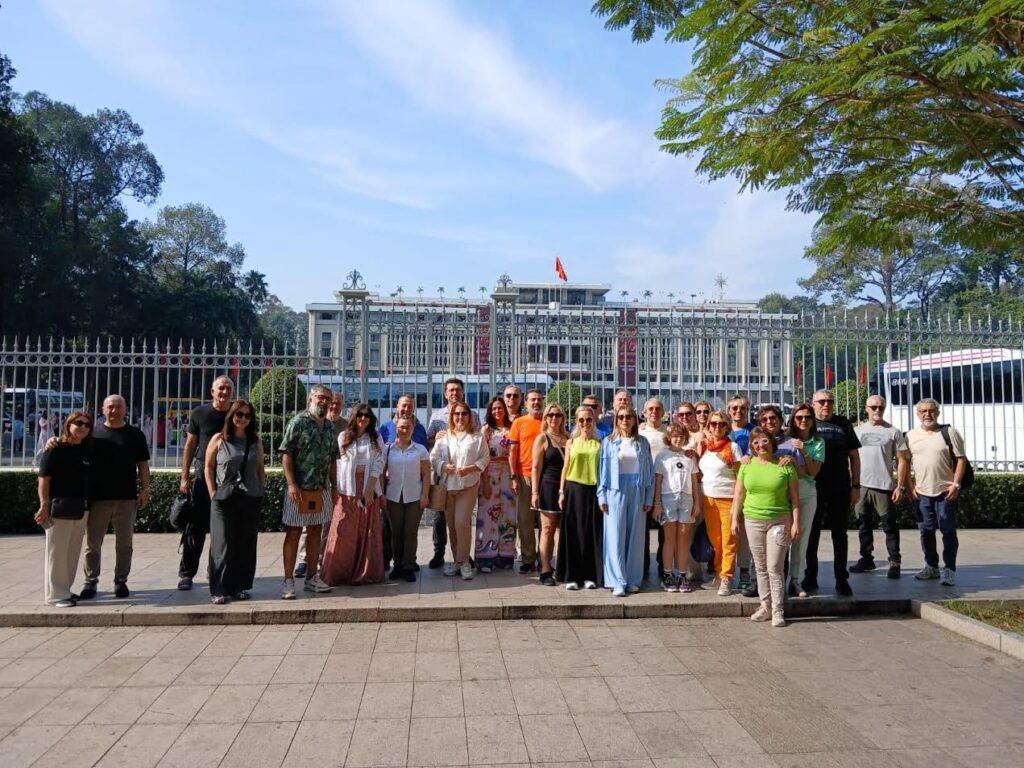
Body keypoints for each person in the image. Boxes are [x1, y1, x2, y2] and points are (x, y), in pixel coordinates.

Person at [78, 395, 150, 600]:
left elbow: (142, 465)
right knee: (93, 544)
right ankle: (90, 582)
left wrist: (145, 490)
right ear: (103, 409)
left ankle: (121, 581)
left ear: (125, 409)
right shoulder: (93, 434)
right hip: (98, 499)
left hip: (126, 498)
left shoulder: (135, 434)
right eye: (110, 406)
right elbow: (73, 448)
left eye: (118, 406)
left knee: (125, 543)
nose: (114, 410)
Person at [731, 427, 800, 627]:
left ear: (772, 442)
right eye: (756, 443)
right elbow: (739, 494)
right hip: (753, 520)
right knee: (760, 567)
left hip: (780, 520)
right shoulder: (746, 465)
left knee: (774, 566)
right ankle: (765, 606)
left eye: (764, 441)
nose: (761, 446)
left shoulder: (785, 465)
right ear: (752, 447)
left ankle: (778, 610)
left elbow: (795, 498)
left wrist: (796, 523)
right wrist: (735, 519)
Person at [203, 399, 265, 604]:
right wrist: (212, 491)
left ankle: (241, 586)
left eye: (247, 415)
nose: (243, 419)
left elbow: (260, 469)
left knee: (245, 543)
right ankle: (219, 588)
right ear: (232, 416)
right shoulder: (219, 439)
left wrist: (261, 489)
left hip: (250, 497)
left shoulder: (255, 440)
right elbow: (209, 466)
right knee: (222, 543)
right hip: (224, 498)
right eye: (239, 414)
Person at [279, 386, 338, 598]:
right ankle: (288, 581)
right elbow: (286, 453)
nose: (324, 402)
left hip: (320, 488)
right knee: (294, 532)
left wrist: (334, 486)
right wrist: (291, 484)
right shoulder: (298, 422)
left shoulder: (330, 427)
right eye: (321, 397)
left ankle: (313, 577)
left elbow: (333, 459)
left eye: (328, 399)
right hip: (300, 489)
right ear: (311, 399)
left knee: (315, 531)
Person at [177, 376, 234, 591]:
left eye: (228, 388)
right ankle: (186, 573)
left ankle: (216, 570)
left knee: (223, 528)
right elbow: (190, 446)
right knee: (196, 528)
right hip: (202, 476)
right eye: (221, 388)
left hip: (228, 477)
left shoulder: (236, 414)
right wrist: (185, 476)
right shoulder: (200, 414)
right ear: (212, 391)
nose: (224, 392)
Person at [321, 403, 387, 586]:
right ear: (354, 417)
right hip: (347, 489)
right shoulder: (344, 436)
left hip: (368, 487)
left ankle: (365, 572)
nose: (363, 419)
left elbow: (380, 462)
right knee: (342, 531)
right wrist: (335, 487)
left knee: (367, 531)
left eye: (366, 416)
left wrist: (369, 489)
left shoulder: (375, 438)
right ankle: (339, 572)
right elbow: (337, 462)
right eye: (360, 415)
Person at [804, 388, 861, 597]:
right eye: (821, 402)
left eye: (829, 401)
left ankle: (841, 579)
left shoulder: (843, 424)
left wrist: (856, 486)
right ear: (813, 404)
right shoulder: (806, 423)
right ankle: (810, 577)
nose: (825, 405)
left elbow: (854, 456)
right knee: (811, 535)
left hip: (839, 487)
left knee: (840, 535)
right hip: (813, 488)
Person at [905, 398, 967, 587]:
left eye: (931, 411)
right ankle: (931, 566)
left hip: (945, 491)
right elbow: (904, 464)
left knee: (948, 531)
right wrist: (910, 487)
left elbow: (961, 459)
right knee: (926, 531)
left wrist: (955, 485)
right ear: (917, 414)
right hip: (922, 492)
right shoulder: (910, 436)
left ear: (938, 413)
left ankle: (949, 570)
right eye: (923, 411)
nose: (927, 414)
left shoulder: (949, 433)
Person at [35, 411, 93, 607]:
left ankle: (65, 590)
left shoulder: (86, 449)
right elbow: (44, 478)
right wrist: (44, 504)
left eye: (87, 424)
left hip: (81, 507)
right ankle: (57, 595)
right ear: (68, 424)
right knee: (57, 552)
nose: (83, 427)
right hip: (60, 508)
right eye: (78, 423)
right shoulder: (55, 448)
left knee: (72, 551)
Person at [598, 405, 655, 596]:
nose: (625, 420)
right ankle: (617, 580)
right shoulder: (608, 442)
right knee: (615, 535)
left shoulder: (643, 442)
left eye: (629, 416)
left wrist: (648, 496)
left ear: (634, 419)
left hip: (637, 489)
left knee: (635, 536)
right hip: (615, 489)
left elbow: (649, 472)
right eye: (621, 417)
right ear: (616, 420)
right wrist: (602, 495)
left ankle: (632, 579)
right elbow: (602, 471)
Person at [851, 395, 910, 579]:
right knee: (863, 525)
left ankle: (894, 561)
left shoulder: (894, 432)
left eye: (881, 407)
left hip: (883, 486)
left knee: (889, 526)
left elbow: (902, 461)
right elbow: (850, 459)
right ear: (866, 408)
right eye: (873, 407)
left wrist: (900, 486)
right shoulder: (856, 431)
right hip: (861, 486)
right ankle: (866, 558)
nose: (877, 410)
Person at [431, 402, 489, 579]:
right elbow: (433, 457)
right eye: (457, 414)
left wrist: (471, 468)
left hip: (468, 485)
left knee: (462, 522)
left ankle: (464, 562)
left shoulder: (477, 438)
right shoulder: (443, 437)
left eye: (464, 413)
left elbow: (485, 458)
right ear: (451, 416)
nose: (460, 417)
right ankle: (457, 561)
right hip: (449, 485)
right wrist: (443, 466)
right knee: (452, 525)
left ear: (469, 417)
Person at [426, 378, 479, 569]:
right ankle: (439, 552)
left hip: (465, 476)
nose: (454, 393)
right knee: (440, 515)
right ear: (446, 393)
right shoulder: (437, 416)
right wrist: (436, 438)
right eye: (450, 390)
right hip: (443, 475)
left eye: (457, 390)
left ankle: (462, 555)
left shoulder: (472, 414)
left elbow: (477, 442)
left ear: (463, 392)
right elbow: (429, 440)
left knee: (462, 520)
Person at [295, 391, 350, 579]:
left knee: (324, 523)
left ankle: (321, 558)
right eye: (330, 402)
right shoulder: (308, 422)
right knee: (305, 524)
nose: (333, 406)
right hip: (308, 481)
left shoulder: (345, 425)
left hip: (330, 481)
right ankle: (303, 560)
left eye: (336, 403)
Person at [557, 405, 603, 590]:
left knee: (591, 533)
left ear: (594, 421)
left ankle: (589, 575)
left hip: (593, 489)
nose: (585, 423)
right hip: (573, 489)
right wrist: (561, 491)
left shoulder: (601, 443)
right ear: (576, 422)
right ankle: (572, 576)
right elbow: (565, 467)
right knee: (573, 533)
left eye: (589, 419)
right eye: (581, 420)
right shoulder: (571, 443)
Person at [781, 403, 823, 598]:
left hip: (806, 491)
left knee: (801, 538)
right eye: (799, 418)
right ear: (793, 420)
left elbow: (813, 471)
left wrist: (804, 451)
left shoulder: (818, 442)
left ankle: (795, 580)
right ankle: (779, 579)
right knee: (781, 537)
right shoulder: (784, 441)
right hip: (785, 491)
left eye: (807, 417)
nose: (803, 421)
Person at [653, 424, 701, 593]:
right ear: (669, 438)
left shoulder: (689, 457)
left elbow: (694, 481)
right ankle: (667, 574)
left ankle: (681, 573)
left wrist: (697, 502)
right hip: (668, 498)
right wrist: (657, 503)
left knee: (683, 539)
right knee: (669, 539)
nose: (678, 439)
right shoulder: (662, 456)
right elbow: (658, 481)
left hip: (686, 499)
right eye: (674, 436)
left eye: (681, 436)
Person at [382, 415, 430, 582]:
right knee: (396, 532)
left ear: (413, 429)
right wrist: (381, 494)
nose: (404, 430)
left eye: (407, 427)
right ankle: (398, 565)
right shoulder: (388, 449)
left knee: (410, 532)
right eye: (401, 427)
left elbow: (426, 474)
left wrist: (425, 495)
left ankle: (409, 565)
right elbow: (381, 473)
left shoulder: (420, 450)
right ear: (396, 429)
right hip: (393, 495)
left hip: (414, 496)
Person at [699, 410, 741, 596]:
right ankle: (718, 573)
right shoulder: (707, 447)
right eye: (714, 423)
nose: (717, 427)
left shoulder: (732, 447)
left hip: (727, 499)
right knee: (716, 541)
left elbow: (741, 477)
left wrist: (738, 504)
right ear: (708, 425)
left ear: (727, 426)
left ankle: (727, 577)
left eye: (721, 424)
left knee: (729, 541)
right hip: (708, 498)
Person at [476, 397, 517, 572]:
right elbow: (482, 457)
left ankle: (505, 555)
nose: (497, 411)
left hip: (508, 473)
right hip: (491, 473)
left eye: (500, 408)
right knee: (488, 514)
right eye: (494, 409)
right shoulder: (486, 430)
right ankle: (485, 556)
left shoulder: (512, 428)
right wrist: (484, 481)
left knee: (508, 514)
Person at [532, 403, 568, 586]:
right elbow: (536, 467)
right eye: (550, 415)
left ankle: (561, 566)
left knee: (563, 531)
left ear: (563, 418)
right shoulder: (542, 438)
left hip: (567, 488)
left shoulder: (569, 438)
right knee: (547, 529)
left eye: (558, 414)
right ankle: (545, 568)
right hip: (548, 486)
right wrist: (534, 492)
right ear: (545, 418)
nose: (554, 418)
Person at [509, 389, 544, 573]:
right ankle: (528, 559)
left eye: (539, 399)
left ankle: (545, 559)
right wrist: (514, 476)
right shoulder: (519, 422)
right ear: (526, 402)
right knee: (525, 520)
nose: (536, 403)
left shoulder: (550, 421)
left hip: (546, 479)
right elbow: (512, 452)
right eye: (532, 400)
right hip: (525, 477)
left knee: (545, 521)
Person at [727, 394, 757, 594]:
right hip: (724, 487)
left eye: (743, 408)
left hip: (747, 486)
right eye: (735, 408)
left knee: (745, 533)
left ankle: (745, 571)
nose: (739, 411)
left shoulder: (754, 431)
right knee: (725, 532)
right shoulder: (721, 428)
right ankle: (722, 571)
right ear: (729, 411)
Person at [639, 398, 668, 581]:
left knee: (665, 529)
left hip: (666, 487)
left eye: (657, 409)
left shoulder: (669, 432)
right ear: (644, 412)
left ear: (663, 412)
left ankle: (663, 566)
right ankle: (643, 565)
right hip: (645, 486)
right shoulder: (640, 432)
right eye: (650, 408)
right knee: (643, 528)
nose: (654, 412)